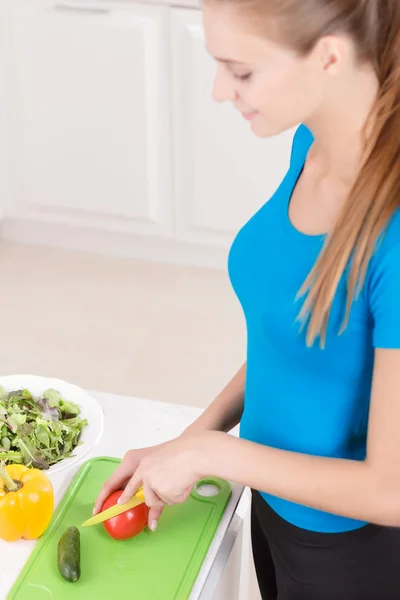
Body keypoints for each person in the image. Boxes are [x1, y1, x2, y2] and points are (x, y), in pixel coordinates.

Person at [93, 1, 400, 598]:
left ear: (329, 56)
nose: (218, 91)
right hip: (274, 508)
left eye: (240, 71)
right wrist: (192, 440)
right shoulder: (314, 142)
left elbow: (391, 490)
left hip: (354, 556)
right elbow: (292, 339)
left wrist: (218, 454)